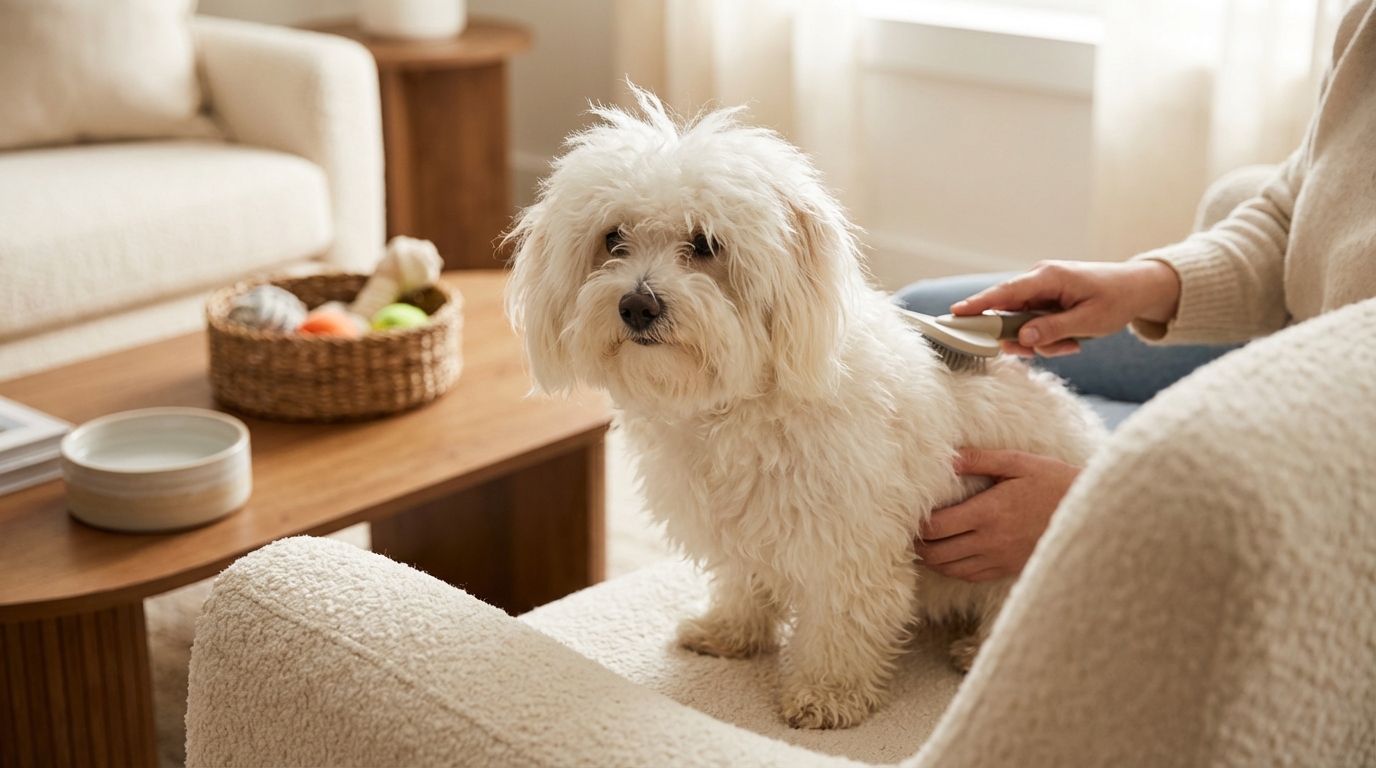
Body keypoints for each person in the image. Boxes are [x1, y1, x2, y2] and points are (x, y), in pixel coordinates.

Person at [910, 0, 1376, 584]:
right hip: (1300, 347)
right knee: (916, 316)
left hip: (1340, 460)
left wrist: (1097, 510)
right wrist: (1147, 284)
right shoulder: (1367, 27)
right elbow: (1291, 208)